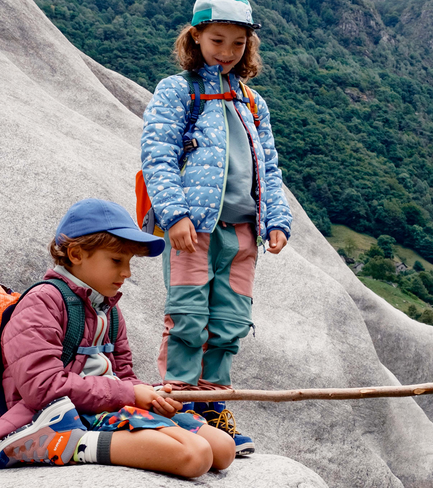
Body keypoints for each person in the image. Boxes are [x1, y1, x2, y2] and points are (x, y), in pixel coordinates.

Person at [0, 198, 235, 477]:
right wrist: (129, 394)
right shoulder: (42, 302)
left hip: (108, 405)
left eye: (128, 262)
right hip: (60, 415)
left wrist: (152, 396)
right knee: (194, 455)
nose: (126, 273)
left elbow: (123, 374)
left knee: (223, 449)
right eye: (117, 260)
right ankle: (71, 443)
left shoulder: (110, 310)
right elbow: (41, 388)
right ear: (77, 254)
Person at [140, 0, 293, 456]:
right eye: (217, 40)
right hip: (195, 227)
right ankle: (179, 403)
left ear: (249, 46)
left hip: (243, 229)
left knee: (230, 321)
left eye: (238, 43)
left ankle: (211, 406)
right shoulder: (177, 90)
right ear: (195, 38)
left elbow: (268, 163)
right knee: (188, 317)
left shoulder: (251, 100)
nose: (226, 51)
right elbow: (158, 155)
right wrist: (175, 215)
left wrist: (277, 220)